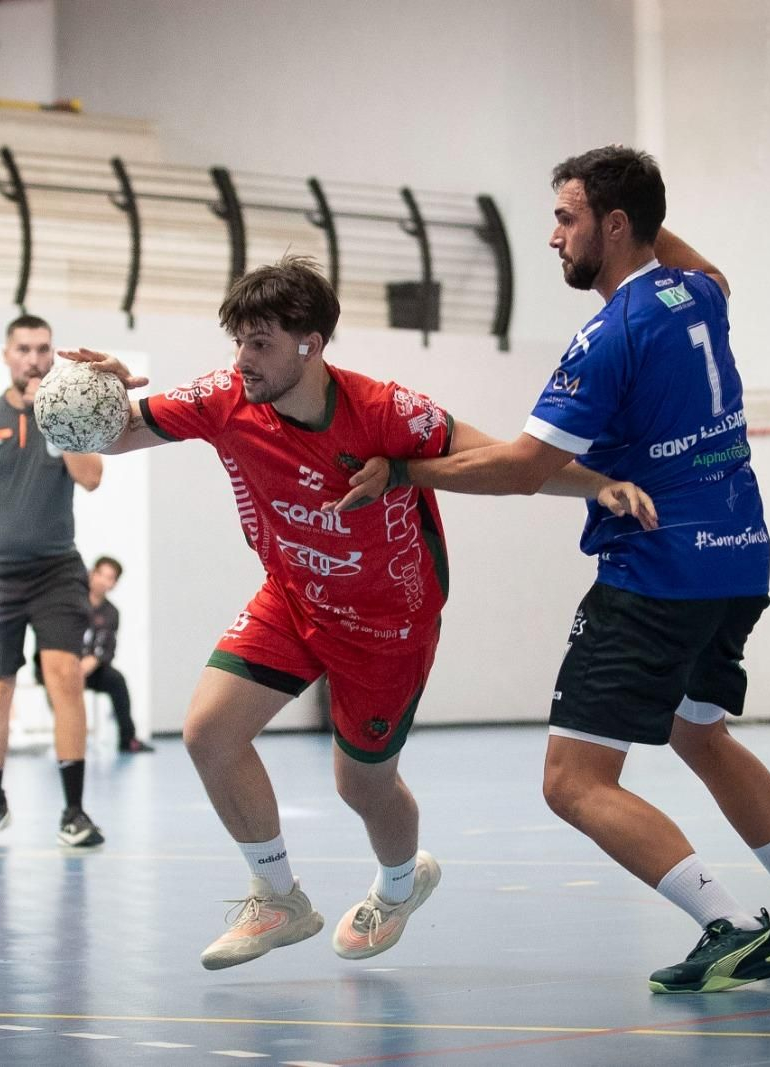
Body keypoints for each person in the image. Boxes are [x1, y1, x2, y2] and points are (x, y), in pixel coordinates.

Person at [333, 146, 770, 993]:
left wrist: (405, 470)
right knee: (699, 730)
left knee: (573, 779)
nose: (553, 238)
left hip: (657, 572)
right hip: (739, 555)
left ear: (614, 226)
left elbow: (522, 465)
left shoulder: (610, 333)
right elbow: (706, 261)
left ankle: (725, 926)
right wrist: (638, 216)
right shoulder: (697, 292)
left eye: (568, 218)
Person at [64, 254, 649, 969]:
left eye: (260, 343)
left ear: (310, 343)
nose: (242, 359)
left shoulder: (385, 411)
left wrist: (599, 486)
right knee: (209, 731)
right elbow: (119, 433)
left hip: (388, 621)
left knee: (360, 783)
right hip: (294, 594)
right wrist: (92, 397)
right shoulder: (226, 397)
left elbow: (505, 461)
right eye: (238, 341)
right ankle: (280, 898)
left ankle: (402, 884)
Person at [0, 314, 106, 848]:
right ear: (7, 355)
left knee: (63, 675)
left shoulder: (67, 417)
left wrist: (53, 420)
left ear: (51, 356)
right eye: (24, 349)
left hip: (56, 571)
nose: (33, 359)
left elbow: (92, 477)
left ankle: (74, 811)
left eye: (42, 350)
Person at [34, 555, 151, 753]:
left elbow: (107, 648)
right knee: (59, 678)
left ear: (114, 583)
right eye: (101, 575)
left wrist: (93, 661)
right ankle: (68, 734)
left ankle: (127, 738)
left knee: (117, 681)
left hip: (89, 669)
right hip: (61, 664)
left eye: (110, 578)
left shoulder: (111, 613)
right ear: (92, 574)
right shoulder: (69, 602)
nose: (104, 581)